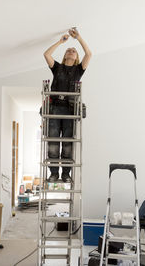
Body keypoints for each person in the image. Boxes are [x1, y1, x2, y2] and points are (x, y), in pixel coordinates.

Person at [43, 28, 92, 182]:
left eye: (74, 51)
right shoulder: (57, 68)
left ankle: (65, 174)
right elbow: (46, 55)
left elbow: (89, 54)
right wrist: (61, 41)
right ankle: (54, 173)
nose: (71, 51)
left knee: (68, 144)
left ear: (76, 57)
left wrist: (78, 38)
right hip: (55, 108)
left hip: (70, 110)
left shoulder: (79, 70)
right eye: (69, 50)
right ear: (65, 55)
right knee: (53, 143)